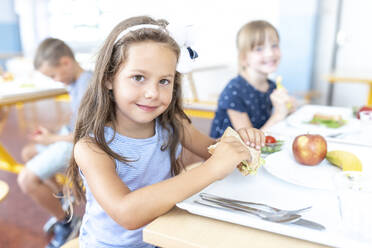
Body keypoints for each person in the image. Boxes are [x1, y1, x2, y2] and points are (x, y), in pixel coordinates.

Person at [64, 16, 265, 248]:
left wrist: (240, 142)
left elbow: (213, 151)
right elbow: (126, 212)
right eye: (138, 77)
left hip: (164, 235)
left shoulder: (172, 123)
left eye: (164, 81)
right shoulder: (92, 147)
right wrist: (212, 170)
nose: (152, 92)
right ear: (109, 78)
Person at [17, 38, 93, 248]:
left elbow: (84, 134)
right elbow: (75, 119)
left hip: (79, 144)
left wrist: (51, 139)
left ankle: (67, 222)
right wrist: (52, 134)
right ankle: (62, 202)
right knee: (28, 152)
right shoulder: (76, 82)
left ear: (66, 62)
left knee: (27, 180)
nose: (55, 80)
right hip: (69, 136)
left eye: (53, 75)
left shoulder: (87, 85)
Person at [210, 20, 296, 138]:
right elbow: (249, 143)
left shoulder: (272, 87)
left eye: (274, 45)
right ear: (243, 58)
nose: (270, 53)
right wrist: (278, 116)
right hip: (231, 154)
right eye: (259, 49)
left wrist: (288, 112)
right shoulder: (234, 91)